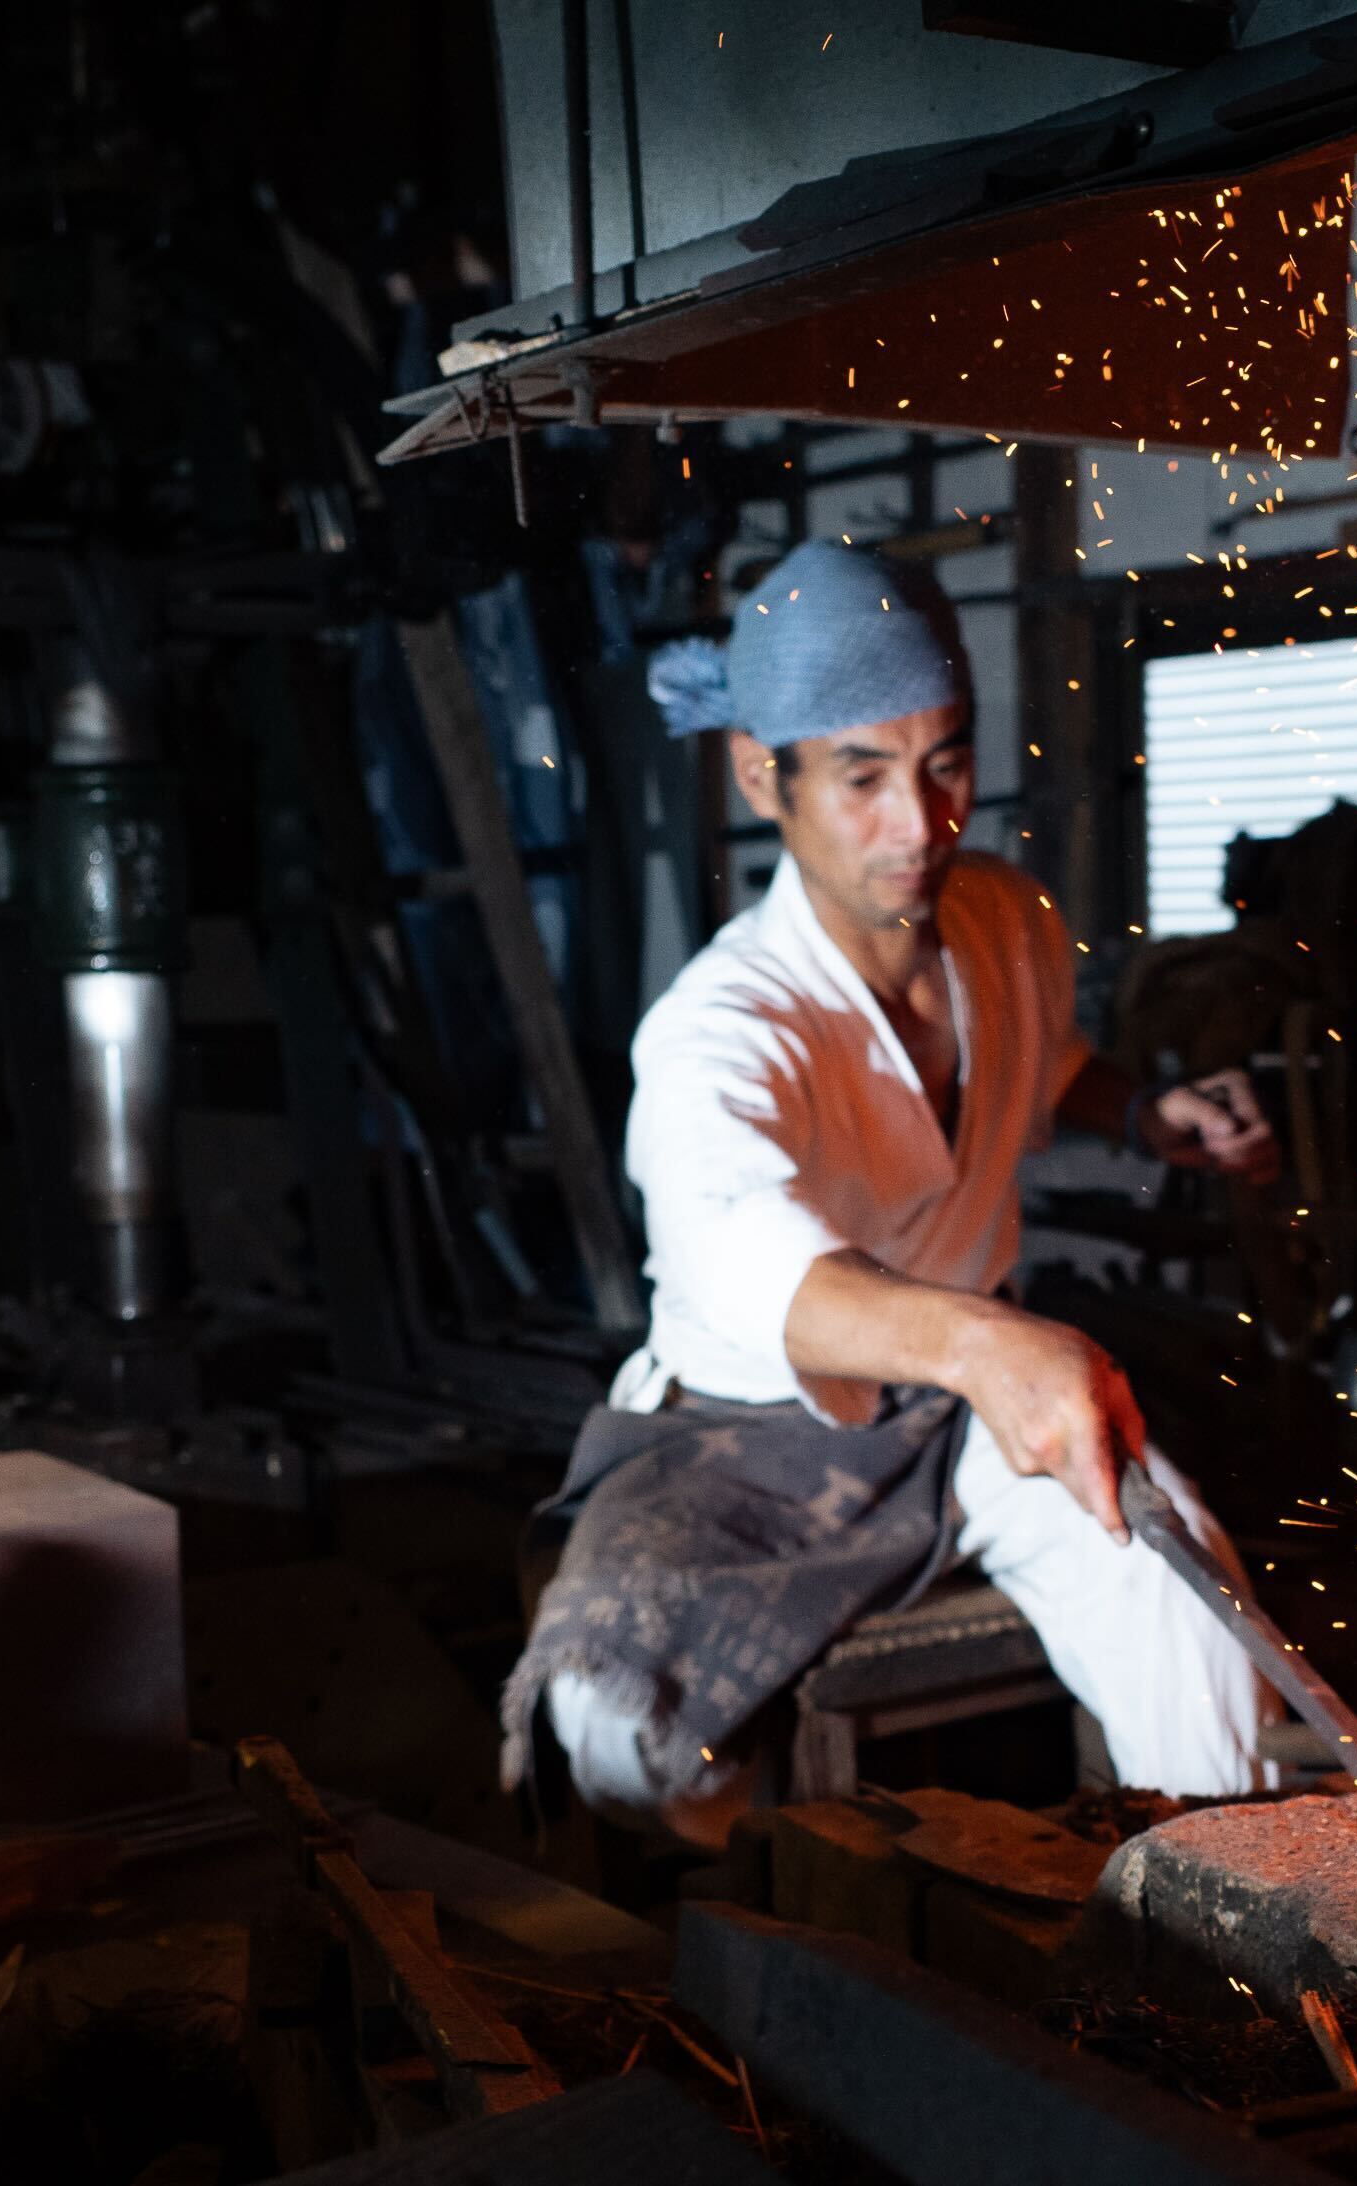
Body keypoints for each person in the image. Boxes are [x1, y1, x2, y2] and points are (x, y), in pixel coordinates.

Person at [500, 540, 1279, 1845]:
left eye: (945, 762)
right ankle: (762, 1965)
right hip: (745, 1440)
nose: (920, 825)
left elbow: (1053, 1059)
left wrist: (1146, 1110)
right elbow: (754, 1262)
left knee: (1190, 1606)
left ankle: (1221, 1930)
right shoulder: (720, 1030)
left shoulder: (1008, 920)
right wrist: (995, 1340)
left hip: (966, 1413)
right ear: (764, 774)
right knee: (610, 1723)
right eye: (862, 775)